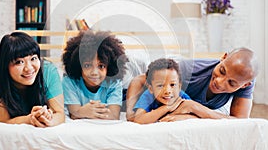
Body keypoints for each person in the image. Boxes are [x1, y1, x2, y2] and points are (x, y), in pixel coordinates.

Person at [126, 47, 259, 121]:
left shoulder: (245, 78)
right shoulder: (188, 70)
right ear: (223, 57)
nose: (219, 82)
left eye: (231, 83)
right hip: (143, 88)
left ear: (244, 85)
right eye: (221, 71)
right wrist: (130, 113)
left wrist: (195, 108)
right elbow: (139, 80)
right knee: (132, 61)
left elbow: (239, 121)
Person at [0, 32, 65, 127]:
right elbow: (5, 120)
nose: (29, 68)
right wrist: (30, 119)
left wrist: (48, 120)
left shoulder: (48, 71)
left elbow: (59, 113)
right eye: (19, 62)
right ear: (5, 65)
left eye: (33, 58)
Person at [62, 30, 128, 120]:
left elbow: (114, 115)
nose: (94, 72)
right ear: (78, 65)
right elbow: (73, 114)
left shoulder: (114, 82)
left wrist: (85, 111)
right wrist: (80, 112)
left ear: (109, 68)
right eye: (87, 65)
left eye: (101, 66)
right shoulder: (69, 81)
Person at [133, 58, 194, 124]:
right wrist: (167, 107)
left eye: (172, 84)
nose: (167, 91)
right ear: (151, 89)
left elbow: (198, 112)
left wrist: (183, 117)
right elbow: (138, 119)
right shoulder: (148, 96)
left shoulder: (181, 96)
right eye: (160, 86)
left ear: (179, 87)